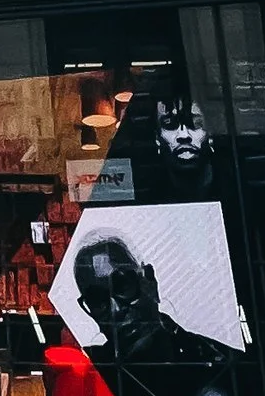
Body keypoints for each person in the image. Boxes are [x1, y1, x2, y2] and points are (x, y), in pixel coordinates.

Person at [71, 233, 224, 374]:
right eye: (97, 300)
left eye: (123, 285)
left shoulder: (218, 362)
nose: (116, 310)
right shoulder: (90, 375)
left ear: (150, 280)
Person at [140, 93, 222, 204]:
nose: (184, 135)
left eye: (195, 124)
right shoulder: (147, 200)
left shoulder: (239, 192)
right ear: (157, 139)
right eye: (169, 124)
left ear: (210, 134)